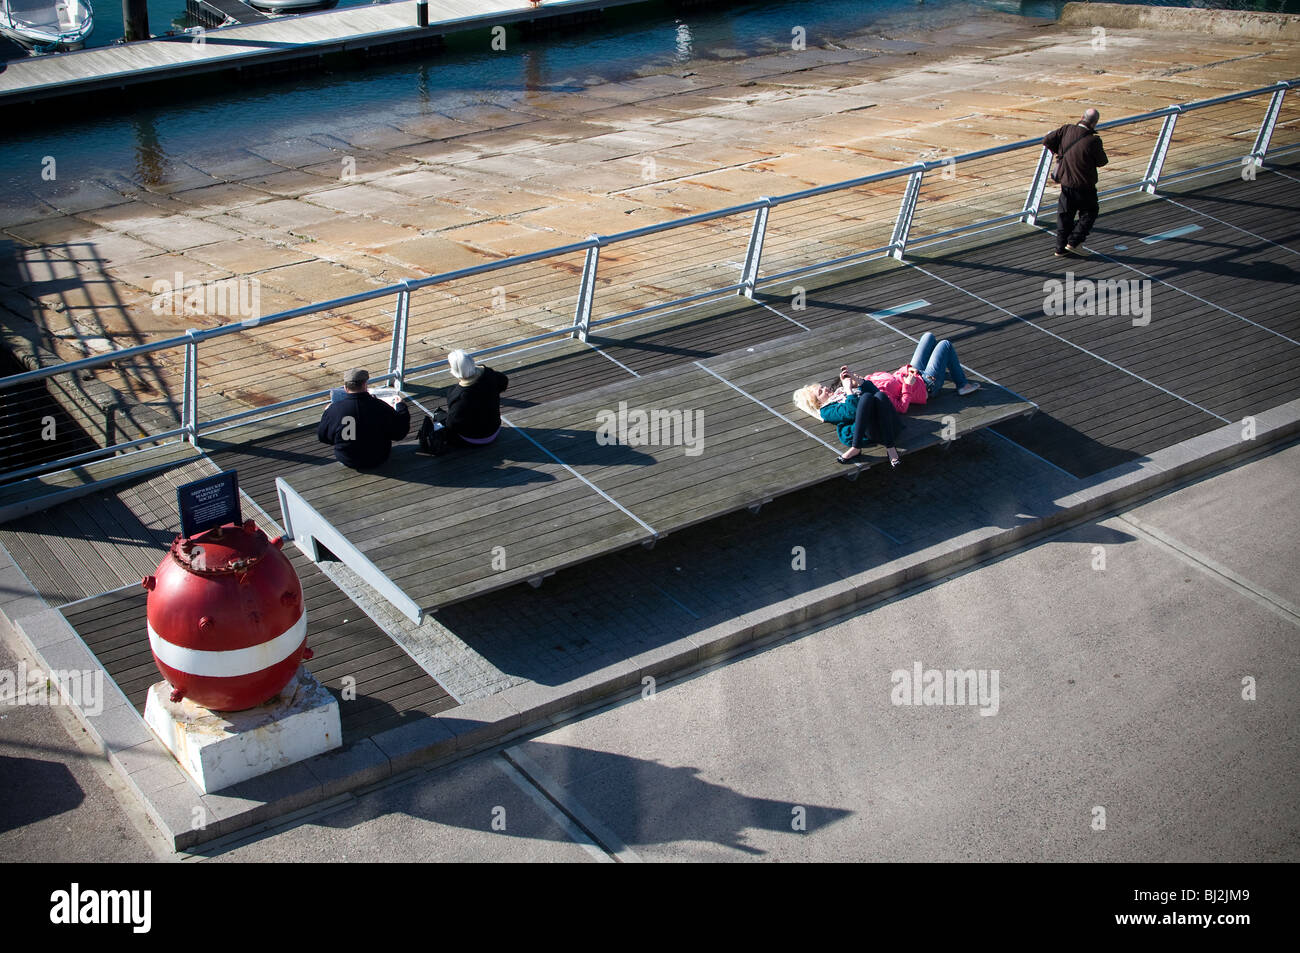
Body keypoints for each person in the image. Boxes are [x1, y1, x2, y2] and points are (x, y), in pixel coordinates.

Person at [838, 332, 980, 413]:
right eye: (852, 378)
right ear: (855, 387)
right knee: (945, 345)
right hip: (927, 385)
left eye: (852, 374)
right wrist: (907, 386)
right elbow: (902, 407)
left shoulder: (868, 379)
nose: (854, 375)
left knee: (928, 337)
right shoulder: (877, 394)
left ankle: (942, 368)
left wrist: (907, 369)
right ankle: (962, 385)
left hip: (913, 373)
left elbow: (894, 377)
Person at [1043, 108, 1109, 258]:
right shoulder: (1093, 140)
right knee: (1090, 212)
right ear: (1095, 123)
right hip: (1085, 184)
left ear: (1081, 117)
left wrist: (1061, 153)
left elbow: (1046, 140)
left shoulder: (1066, 129)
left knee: (1065, 215)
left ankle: (1060, 248)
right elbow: (1102, 161)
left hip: (1066, 183)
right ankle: (1074, 242)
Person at [317, 367, 410, 469]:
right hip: (379, 457)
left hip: (347, 459)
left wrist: (327, 413)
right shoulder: (381, 406)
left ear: (345, 388)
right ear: (365, 385)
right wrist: (401, 407)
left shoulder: (334, 410)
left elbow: (323, 437)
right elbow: (400, 433)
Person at [793, 379, 902, 467]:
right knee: (866, 397)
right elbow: (852, 412)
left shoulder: (840, 392)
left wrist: (859, 381)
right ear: (819, 403)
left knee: (880, 395)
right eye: (821, 392)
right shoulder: (827, 410)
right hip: (873, 432)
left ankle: (857, 448)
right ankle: (889, 448)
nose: (825, 389)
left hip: (891, 426)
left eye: (822, 387)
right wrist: (849, 391)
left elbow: (875, 392)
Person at [442, 349, 509, 447]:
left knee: (441, 418)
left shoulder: (459, 396)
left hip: (473, 438)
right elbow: (504, 382)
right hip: (494, 429)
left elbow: (452, 424)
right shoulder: (490, 375)